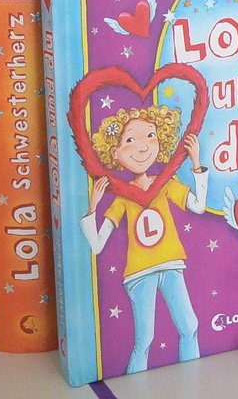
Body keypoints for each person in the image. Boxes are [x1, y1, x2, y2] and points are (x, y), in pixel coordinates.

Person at [80, 105, 207, 370]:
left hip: (170, 265)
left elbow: (198, 207)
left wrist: (197, 163)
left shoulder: (165, 183)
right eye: (130, 140)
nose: (142, 147)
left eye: (150, 136)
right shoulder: (123, 196)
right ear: (115, 153)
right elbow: (97, 244)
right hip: (139, 274)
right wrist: (93, 207)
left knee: (190, 326)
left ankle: (193, 376)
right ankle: (134, 384)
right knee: (145, 339)